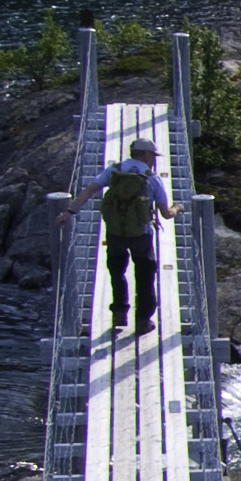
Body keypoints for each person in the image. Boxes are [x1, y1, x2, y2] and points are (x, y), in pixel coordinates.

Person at [86, 136, 168, 337]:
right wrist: (178, 207)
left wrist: (69, 211)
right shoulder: (151, 177)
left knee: (117, 272)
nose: (153, 160)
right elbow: (166, 213)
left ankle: (119, 313)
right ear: (147, 155)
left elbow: (90, 189)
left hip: (115, 231)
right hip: (141, 234)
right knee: (145, 277)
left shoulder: (114, 171)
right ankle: (143, 321)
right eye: (153, 156)